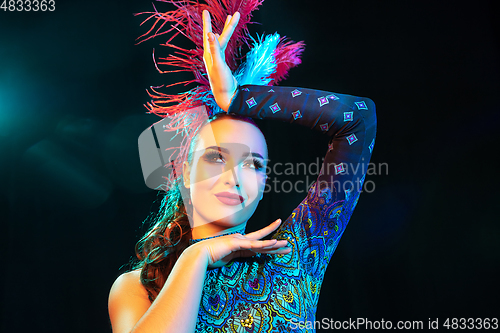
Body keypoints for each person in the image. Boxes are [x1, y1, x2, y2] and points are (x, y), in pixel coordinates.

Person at [108, 2, 377, 332]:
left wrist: (239, 98)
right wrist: (196, 258)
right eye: (216, 157)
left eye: (253, 164)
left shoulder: (295, 254)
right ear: (184, 173)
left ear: (264, 185)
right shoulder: (138, 287)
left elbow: (359, 118)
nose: (234, 176)